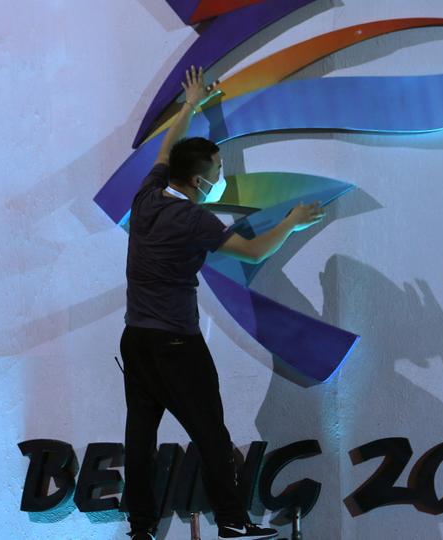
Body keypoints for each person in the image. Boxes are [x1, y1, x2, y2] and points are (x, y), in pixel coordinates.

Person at [119, 66, 325, 540]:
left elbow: (167, 151)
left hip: (136, 340)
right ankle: (232, 521)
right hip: (176, 343)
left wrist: (191, 105)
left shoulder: (146, 197)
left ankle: (141, 528)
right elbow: (254, 251)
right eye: (215, 171)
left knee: (140, 437)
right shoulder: (193, 220)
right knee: (211, 433)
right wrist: (291, 220)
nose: (220, 177)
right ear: (196, 181)